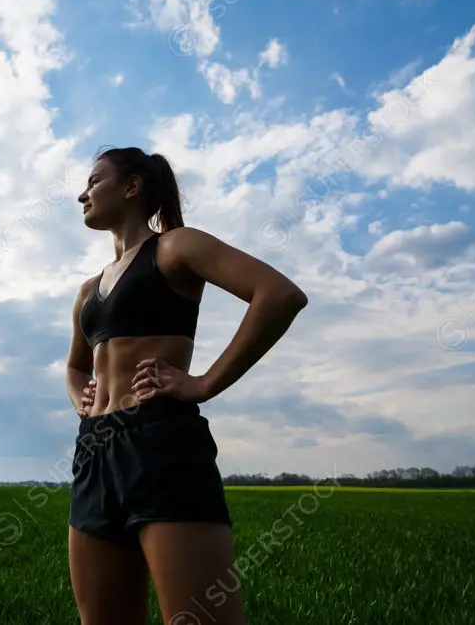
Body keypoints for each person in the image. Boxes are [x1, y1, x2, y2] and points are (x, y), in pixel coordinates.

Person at [65, 146, 308, 625]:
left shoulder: (177, 247)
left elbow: (279, 295)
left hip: (162, 442)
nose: (82, 194)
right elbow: (75, 367)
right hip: (94, 454)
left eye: (95, 181)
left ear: (132, 187)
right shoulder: (86, 291)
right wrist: (81, 396)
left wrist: (204, 384)